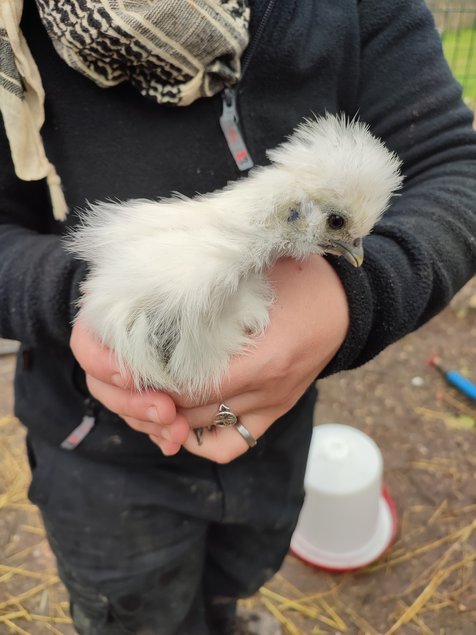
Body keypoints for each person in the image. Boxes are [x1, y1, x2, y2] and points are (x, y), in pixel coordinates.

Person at [1, 0, 475, 633]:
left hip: (274, 441)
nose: (353, 247)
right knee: (137, 611)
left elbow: (454, 160)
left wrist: (349, 304)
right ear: (293, 213)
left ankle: (225, 615)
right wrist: (91, 299)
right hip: (98, 459)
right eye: (338, 226)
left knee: (242, 567)